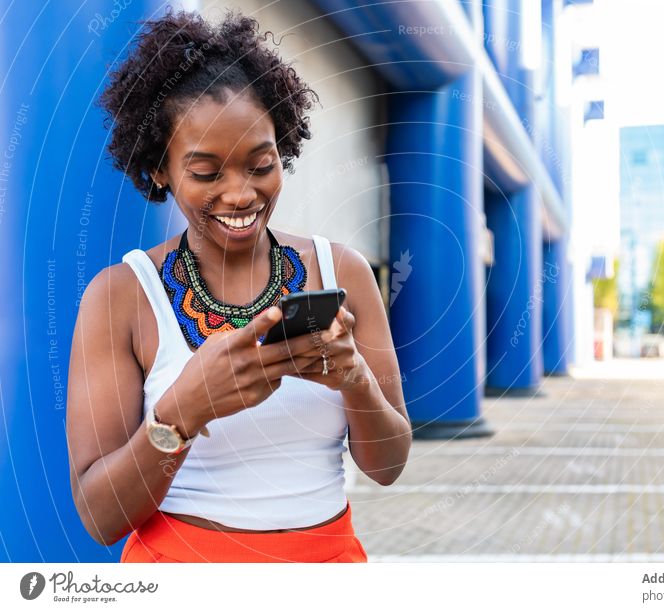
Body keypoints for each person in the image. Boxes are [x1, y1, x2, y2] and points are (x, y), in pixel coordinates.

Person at [66, 7, 411, 563]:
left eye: (261, 164)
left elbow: (389, 465)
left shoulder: (341, 272)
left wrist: (354, 380)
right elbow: (101, 517)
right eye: (206, 173)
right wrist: (182, 411)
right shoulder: (121, 298)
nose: (240, 194)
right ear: (160, 168)